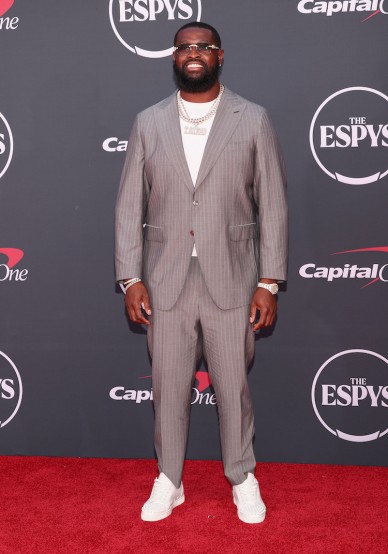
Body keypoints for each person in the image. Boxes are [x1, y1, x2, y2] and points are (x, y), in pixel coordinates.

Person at [115, 22, 288, 524]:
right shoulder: (148, 122)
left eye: (203, 48)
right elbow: (130, 206)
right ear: (175, 58)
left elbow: (272, 204)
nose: (194, 55)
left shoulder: (252, 119)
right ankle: (169, 479)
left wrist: (268, 281)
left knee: (232, 386)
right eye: (185, 48)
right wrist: (131, 277)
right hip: (164, 280)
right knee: (168, 386)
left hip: (233, 278)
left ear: (220, 56)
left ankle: (242, 476)